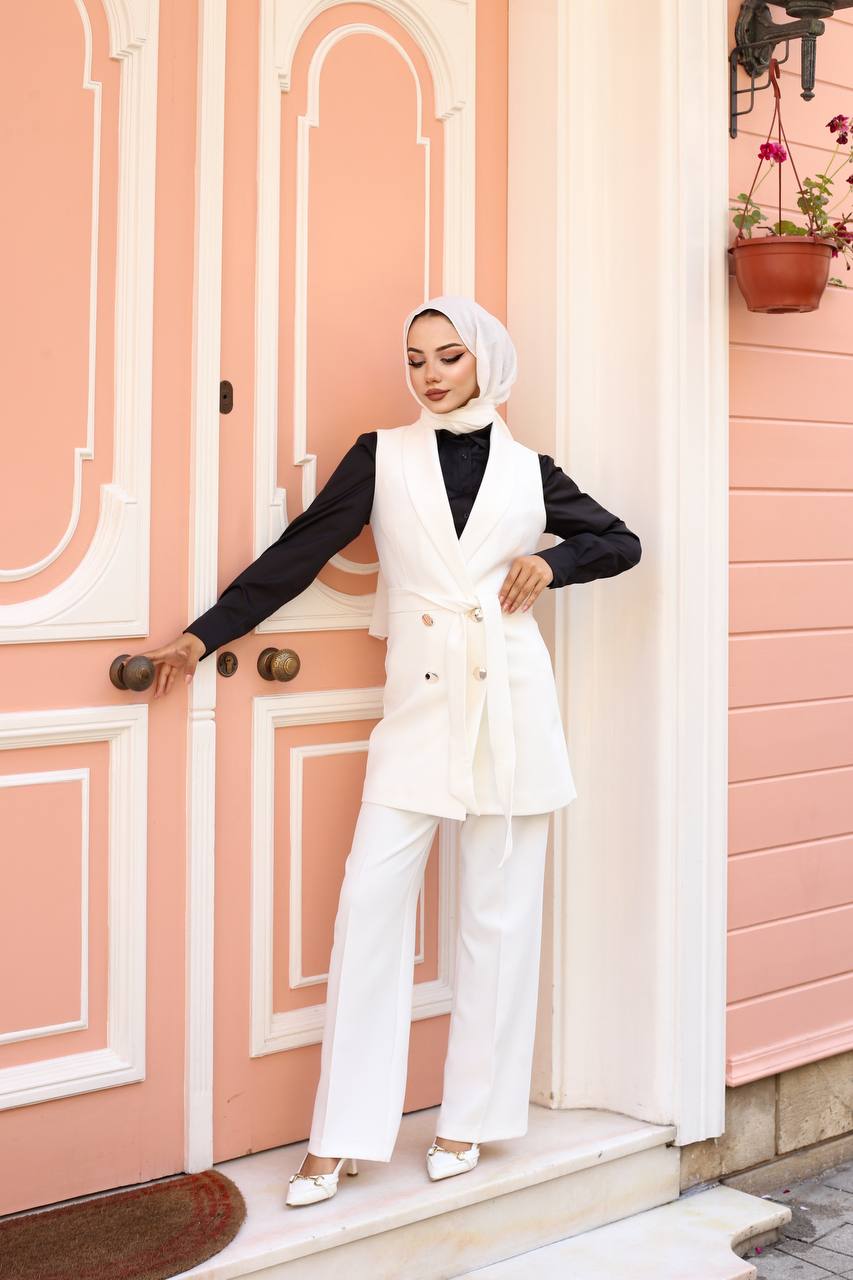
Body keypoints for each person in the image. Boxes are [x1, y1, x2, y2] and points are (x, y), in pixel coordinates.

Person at [138, 295, 641, 1207]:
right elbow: (300, 551)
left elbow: (621, 541)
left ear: (485, 360)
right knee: (369, 912)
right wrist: (201, 637)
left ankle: (469, 1119)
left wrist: (554, 564)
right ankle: (339, 1137)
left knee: (497, 915)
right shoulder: (383, 455)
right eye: (416, 360)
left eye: (448, 355)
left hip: (514, 705)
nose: (431, 374)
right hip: (417, 707)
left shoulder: (533, 471)